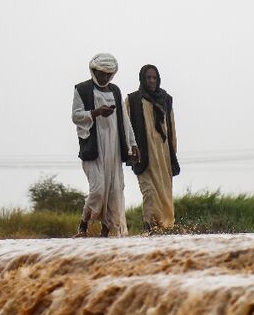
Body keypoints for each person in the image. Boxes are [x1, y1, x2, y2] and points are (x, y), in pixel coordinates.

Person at [71, 53, 139, 237]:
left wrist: (133, 144)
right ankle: (83, 226)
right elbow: (76, 116)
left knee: (115, 191)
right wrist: (96, 112)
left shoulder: (115, 91)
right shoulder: (83, 89)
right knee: (98, 190)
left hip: (114, 147)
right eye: (101, 73)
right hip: (94, 147)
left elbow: (124, 120)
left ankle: (105, 235)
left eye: (109, 74)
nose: (105, 77)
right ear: (94, 71)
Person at [125, 64, 180, 230]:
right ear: (142, 78)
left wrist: (173, 152)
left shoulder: (166, 99)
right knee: (149, 192)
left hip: (163, 155)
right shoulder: (132, 100)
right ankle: (148, 227)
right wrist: (129, 151)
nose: (151, 81)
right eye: (148, 77)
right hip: (144, 155)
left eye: (154, 77)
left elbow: (171, 127)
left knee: (164, 193)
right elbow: (126, 128)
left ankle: (162, 229)